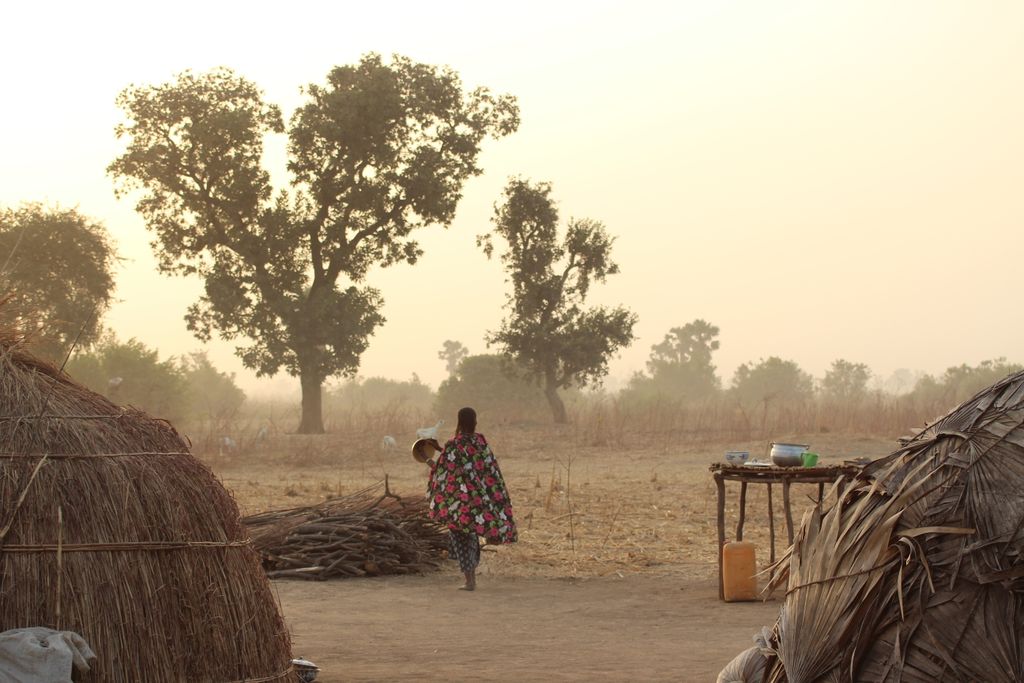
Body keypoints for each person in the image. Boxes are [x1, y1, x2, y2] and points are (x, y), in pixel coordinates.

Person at [423, 407, 517, 591]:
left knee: (460, 536)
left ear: (458, 421)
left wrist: (426, 457)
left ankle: (470, 581)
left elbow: (444, 469)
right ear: (475, 422)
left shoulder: (454, 444)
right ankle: (471, 576)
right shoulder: (480, 441)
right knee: (471, 536)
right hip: (478, 501)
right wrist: (440, 448)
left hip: (460, 502)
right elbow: (471, 463)